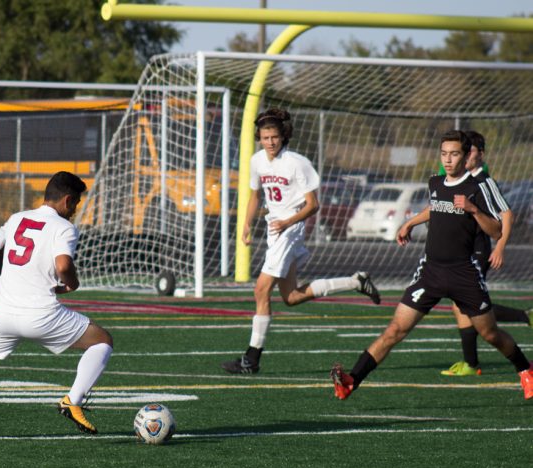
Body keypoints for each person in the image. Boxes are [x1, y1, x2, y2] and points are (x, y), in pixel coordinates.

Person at [331, 130, 533, 401]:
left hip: (464, 273)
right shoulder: (435, 182)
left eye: (455, 154)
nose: (448, 160)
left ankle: (526, 370)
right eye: (444, 154)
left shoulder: (477, 187)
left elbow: (497, 230)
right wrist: (409, 223)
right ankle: (352, 380)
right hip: (430, 272)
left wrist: (473, 210)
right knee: (395, 330)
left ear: (465, 156)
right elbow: (435, 207)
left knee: (490, 333)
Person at [0, 171, 113, 440]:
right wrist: (72, 284)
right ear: (67, 200)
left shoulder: (17, 218)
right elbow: (63, 265)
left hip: (2, 312)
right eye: (74, 205)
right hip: (41, 314)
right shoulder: (63, 228)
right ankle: (73, 400)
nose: (73, 211)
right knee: (102, 341)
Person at [222, 108, 381, 375]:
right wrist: (247, 223)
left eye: (274, 136)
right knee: (292, 297)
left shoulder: (297, 163)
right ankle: (356, 281)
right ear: (258, 137)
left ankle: (251, 359)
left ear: (283, 136)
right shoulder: (257, 160)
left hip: (291, 229)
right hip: (276, 230)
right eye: (265, 137)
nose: (270, 142)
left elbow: (313, 205)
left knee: (261, 289)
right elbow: (254, 197)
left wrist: (287, 222)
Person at [427, 131, 531, 376]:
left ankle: (473, 362)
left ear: (478, 155)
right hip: (461, 249)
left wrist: (500, 246)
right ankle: (474, 359)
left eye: (470, 151)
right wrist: (411, 222)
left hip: (477, 249)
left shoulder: (483, 181)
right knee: (465, 305)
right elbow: (437, 206)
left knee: (468, 305)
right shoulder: (452, 178)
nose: (462, 156)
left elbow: (506, 214)